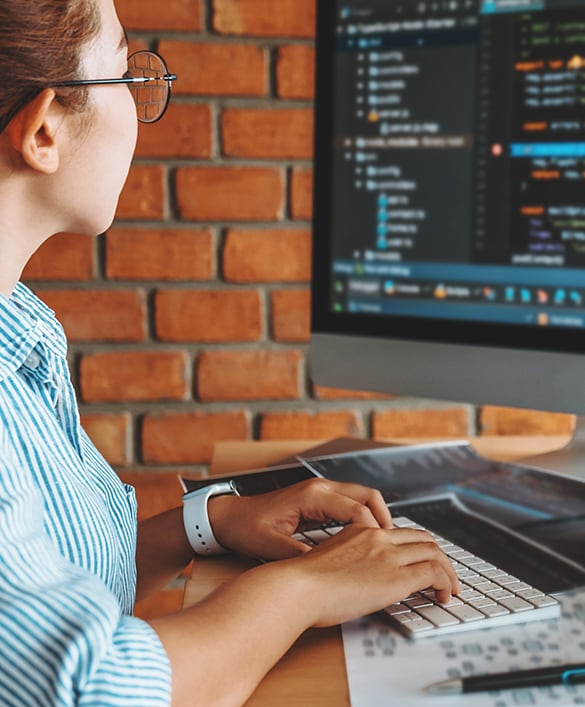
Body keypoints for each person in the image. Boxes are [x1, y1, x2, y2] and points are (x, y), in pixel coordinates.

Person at [0, 0, 459, 705]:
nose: (141, 102)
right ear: (44, 132)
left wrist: (208, 524)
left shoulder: (21, 327)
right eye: (126, 73)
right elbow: (93, 688)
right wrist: (306, 585)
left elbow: (56, 579)